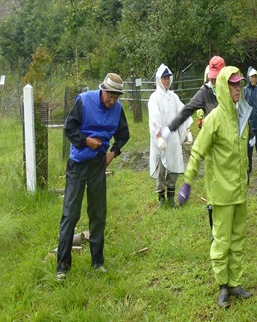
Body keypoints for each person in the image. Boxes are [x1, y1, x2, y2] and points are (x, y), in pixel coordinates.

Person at [177, 66, 254, 308]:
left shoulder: (242, 117)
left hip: (239, 192)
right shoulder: (213, 120)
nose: (238, 88)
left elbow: (244, 152)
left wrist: (246, 175)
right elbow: (197, 151)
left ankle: (234, 283)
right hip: (221, 193)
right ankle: (222, 286)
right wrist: (187, 182)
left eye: (239, 84)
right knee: (221, 241)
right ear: (222, 87)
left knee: (238, 239)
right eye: (233, 84)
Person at [56, 73, 130, 282]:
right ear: (102, 90)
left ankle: (97, 262)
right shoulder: (84, 101)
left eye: (116, 97)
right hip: (78, 163)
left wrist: (113, 153)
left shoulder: (117, 109)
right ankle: (62, 266)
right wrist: (85, 141)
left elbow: (123, 135)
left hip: (98, 164)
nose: (112, 101)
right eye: (109, 96)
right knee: (71, 213)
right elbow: (69, 127)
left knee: (98, 212)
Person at [148, 64, 193, 208]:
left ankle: (171, 199)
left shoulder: (173, 97)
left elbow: (182, 112)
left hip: (173, 139)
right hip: (161, 139)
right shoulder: (154, 98)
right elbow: (154, 119)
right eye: (164, 78)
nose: (167, 81)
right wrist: (158, 136)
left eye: (168, 78)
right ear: (159, 80)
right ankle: (161, 199)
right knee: (161, 169)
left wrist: (188, 129)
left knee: (174, 166)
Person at [167, 55, 225, 133]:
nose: (213, 81)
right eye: (212, 77)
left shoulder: (231, 89)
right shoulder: (205, 92)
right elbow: (188, 108)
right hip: (213, 134)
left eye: (216, 77)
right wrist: (170, 128)